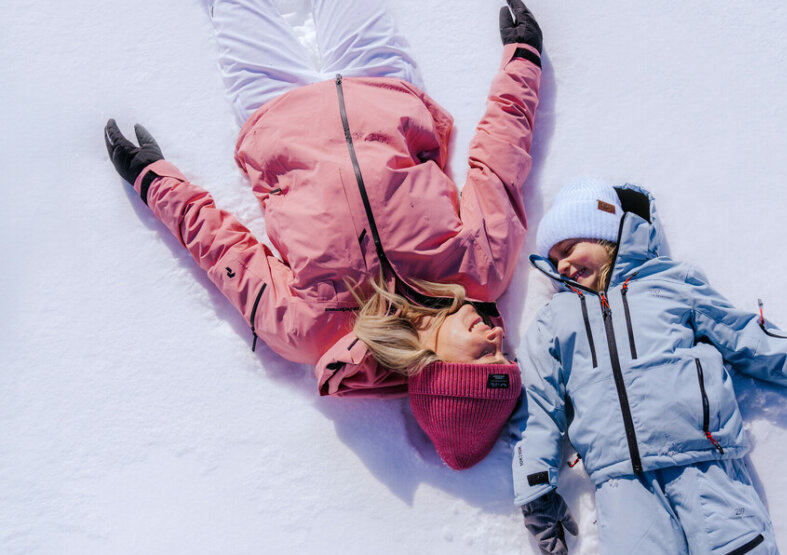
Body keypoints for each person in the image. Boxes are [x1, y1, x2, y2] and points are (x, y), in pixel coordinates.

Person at [104, 0, 544, 470]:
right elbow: (499, 164)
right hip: (384, 87)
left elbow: (227, 253)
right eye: (505, 350)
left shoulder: (312, 332)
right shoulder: (482, 269)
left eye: (486, 356)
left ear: (441, 372)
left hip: (273, 115)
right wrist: (523, 62)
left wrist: (158, 185)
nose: (497, 334)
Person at [510, 179, 787, 555]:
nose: (561, 263)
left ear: (605, 236)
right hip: (621, 485)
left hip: (705, 465)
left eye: (570, 247)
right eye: (554, 258)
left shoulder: (670, 284)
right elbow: (540, 410)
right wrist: (536, 492)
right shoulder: (553, 322)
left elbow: (749, 339)